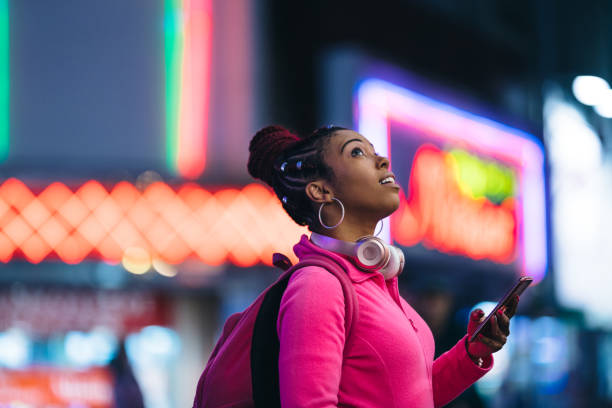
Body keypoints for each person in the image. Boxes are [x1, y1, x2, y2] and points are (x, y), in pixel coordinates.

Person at [246, 125, 518, 407]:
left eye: (374, 151)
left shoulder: (374, 282)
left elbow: (410, 396)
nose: (383, 161)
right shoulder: (319, 285)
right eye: (357, 152)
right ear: (321, 190)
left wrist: (471, 352)